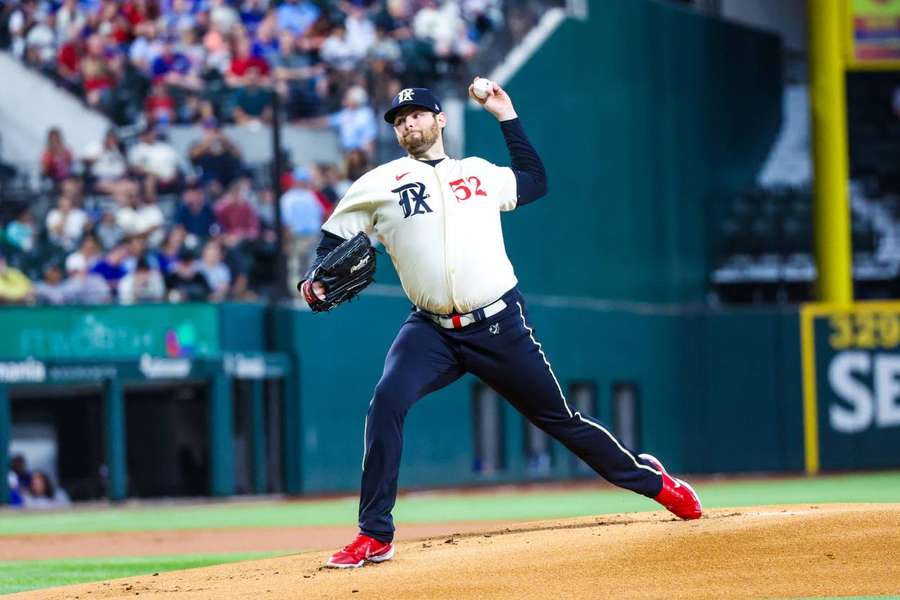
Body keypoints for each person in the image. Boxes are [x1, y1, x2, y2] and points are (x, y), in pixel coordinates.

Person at [300, 83, 703, 569]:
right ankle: (374, 534)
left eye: (416, 115)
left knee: (562, 422)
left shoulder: (477, 173)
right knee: (387, 400)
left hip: (498, 324)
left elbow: (534, 179)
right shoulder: (378, 183)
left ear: (439, 119)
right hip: (430, 330)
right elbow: (330, 243)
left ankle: (656, 482)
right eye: (399, 119)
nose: (407, 123)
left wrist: (506, 114)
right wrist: (313, 279)